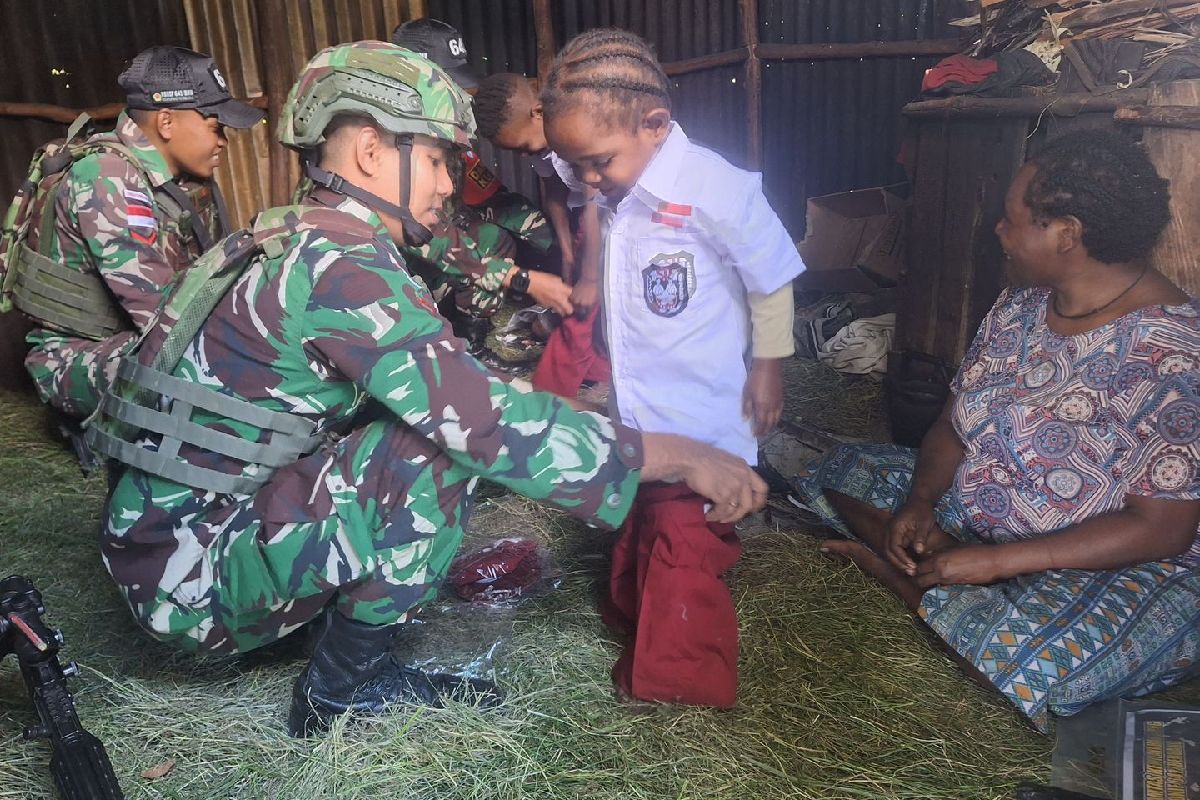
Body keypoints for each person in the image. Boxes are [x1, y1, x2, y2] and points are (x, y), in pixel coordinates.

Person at [84, 41, 768, 738]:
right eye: (440, 160)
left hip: (171, 540)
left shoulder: (301, 234)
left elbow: (453, 387)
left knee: (434, 423)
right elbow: (479, 423)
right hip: (187, 579)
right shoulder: (340, 269)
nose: (449, 184)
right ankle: (344, 688)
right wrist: (681, 456)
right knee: (436, 451)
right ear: (373, 151)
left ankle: (310, 620)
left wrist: (538, 404)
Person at [794, 130, 1200, 733]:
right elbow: (954, 429)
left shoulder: (1173, 354)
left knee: (1030, 656)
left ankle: (913, 577)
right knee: (839, 467)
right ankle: (934, 572)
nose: (999, 232)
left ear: (1066, 234)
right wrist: (922, 500)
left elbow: (1162, 527)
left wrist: (997, 562)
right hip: (971, 521)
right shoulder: (1021, 306)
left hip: (1109, 562)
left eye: (1013, 220)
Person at [541, 29, 804, 707]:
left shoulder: (715, 187)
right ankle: (637, 620)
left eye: (597, 163)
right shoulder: (622, 186)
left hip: (704, 418)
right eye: (578, 168)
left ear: (655, 125)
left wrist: (768, 367)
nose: (589, 182)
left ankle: (678, 682)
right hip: (643, 421)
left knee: (685, 551)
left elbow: (769, 279)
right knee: (639, 527)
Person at [7, 46, 261, 423]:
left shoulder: (169, 181)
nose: (223, 140)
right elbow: (162, 316)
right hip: (73, 358)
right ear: (166, 123)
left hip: (127, 339)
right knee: (209, 369)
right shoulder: (107, 177)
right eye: (214, 126)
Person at [390, 18, 575, 360]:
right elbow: (430, 237)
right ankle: (462, 341)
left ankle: (470, 336)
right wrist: (522, 280)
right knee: (486, 242)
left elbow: (476, 195)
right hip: (388, 273)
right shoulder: (386, 141)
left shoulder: (425, 135)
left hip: (436, 233)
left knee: (495, 234)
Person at [474, 72, 608, 398]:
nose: (523, 155)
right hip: (583, 219)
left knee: (585, 306)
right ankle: (596, 365)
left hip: (608, 215)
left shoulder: (577, 128)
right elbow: (554, 192)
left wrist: (589, 276)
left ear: (537, 112)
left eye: (522, 146)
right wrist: (564, 247)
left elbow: (596, 200)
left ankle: (553, 393)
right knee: (584, 304)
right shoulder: (541, 147)